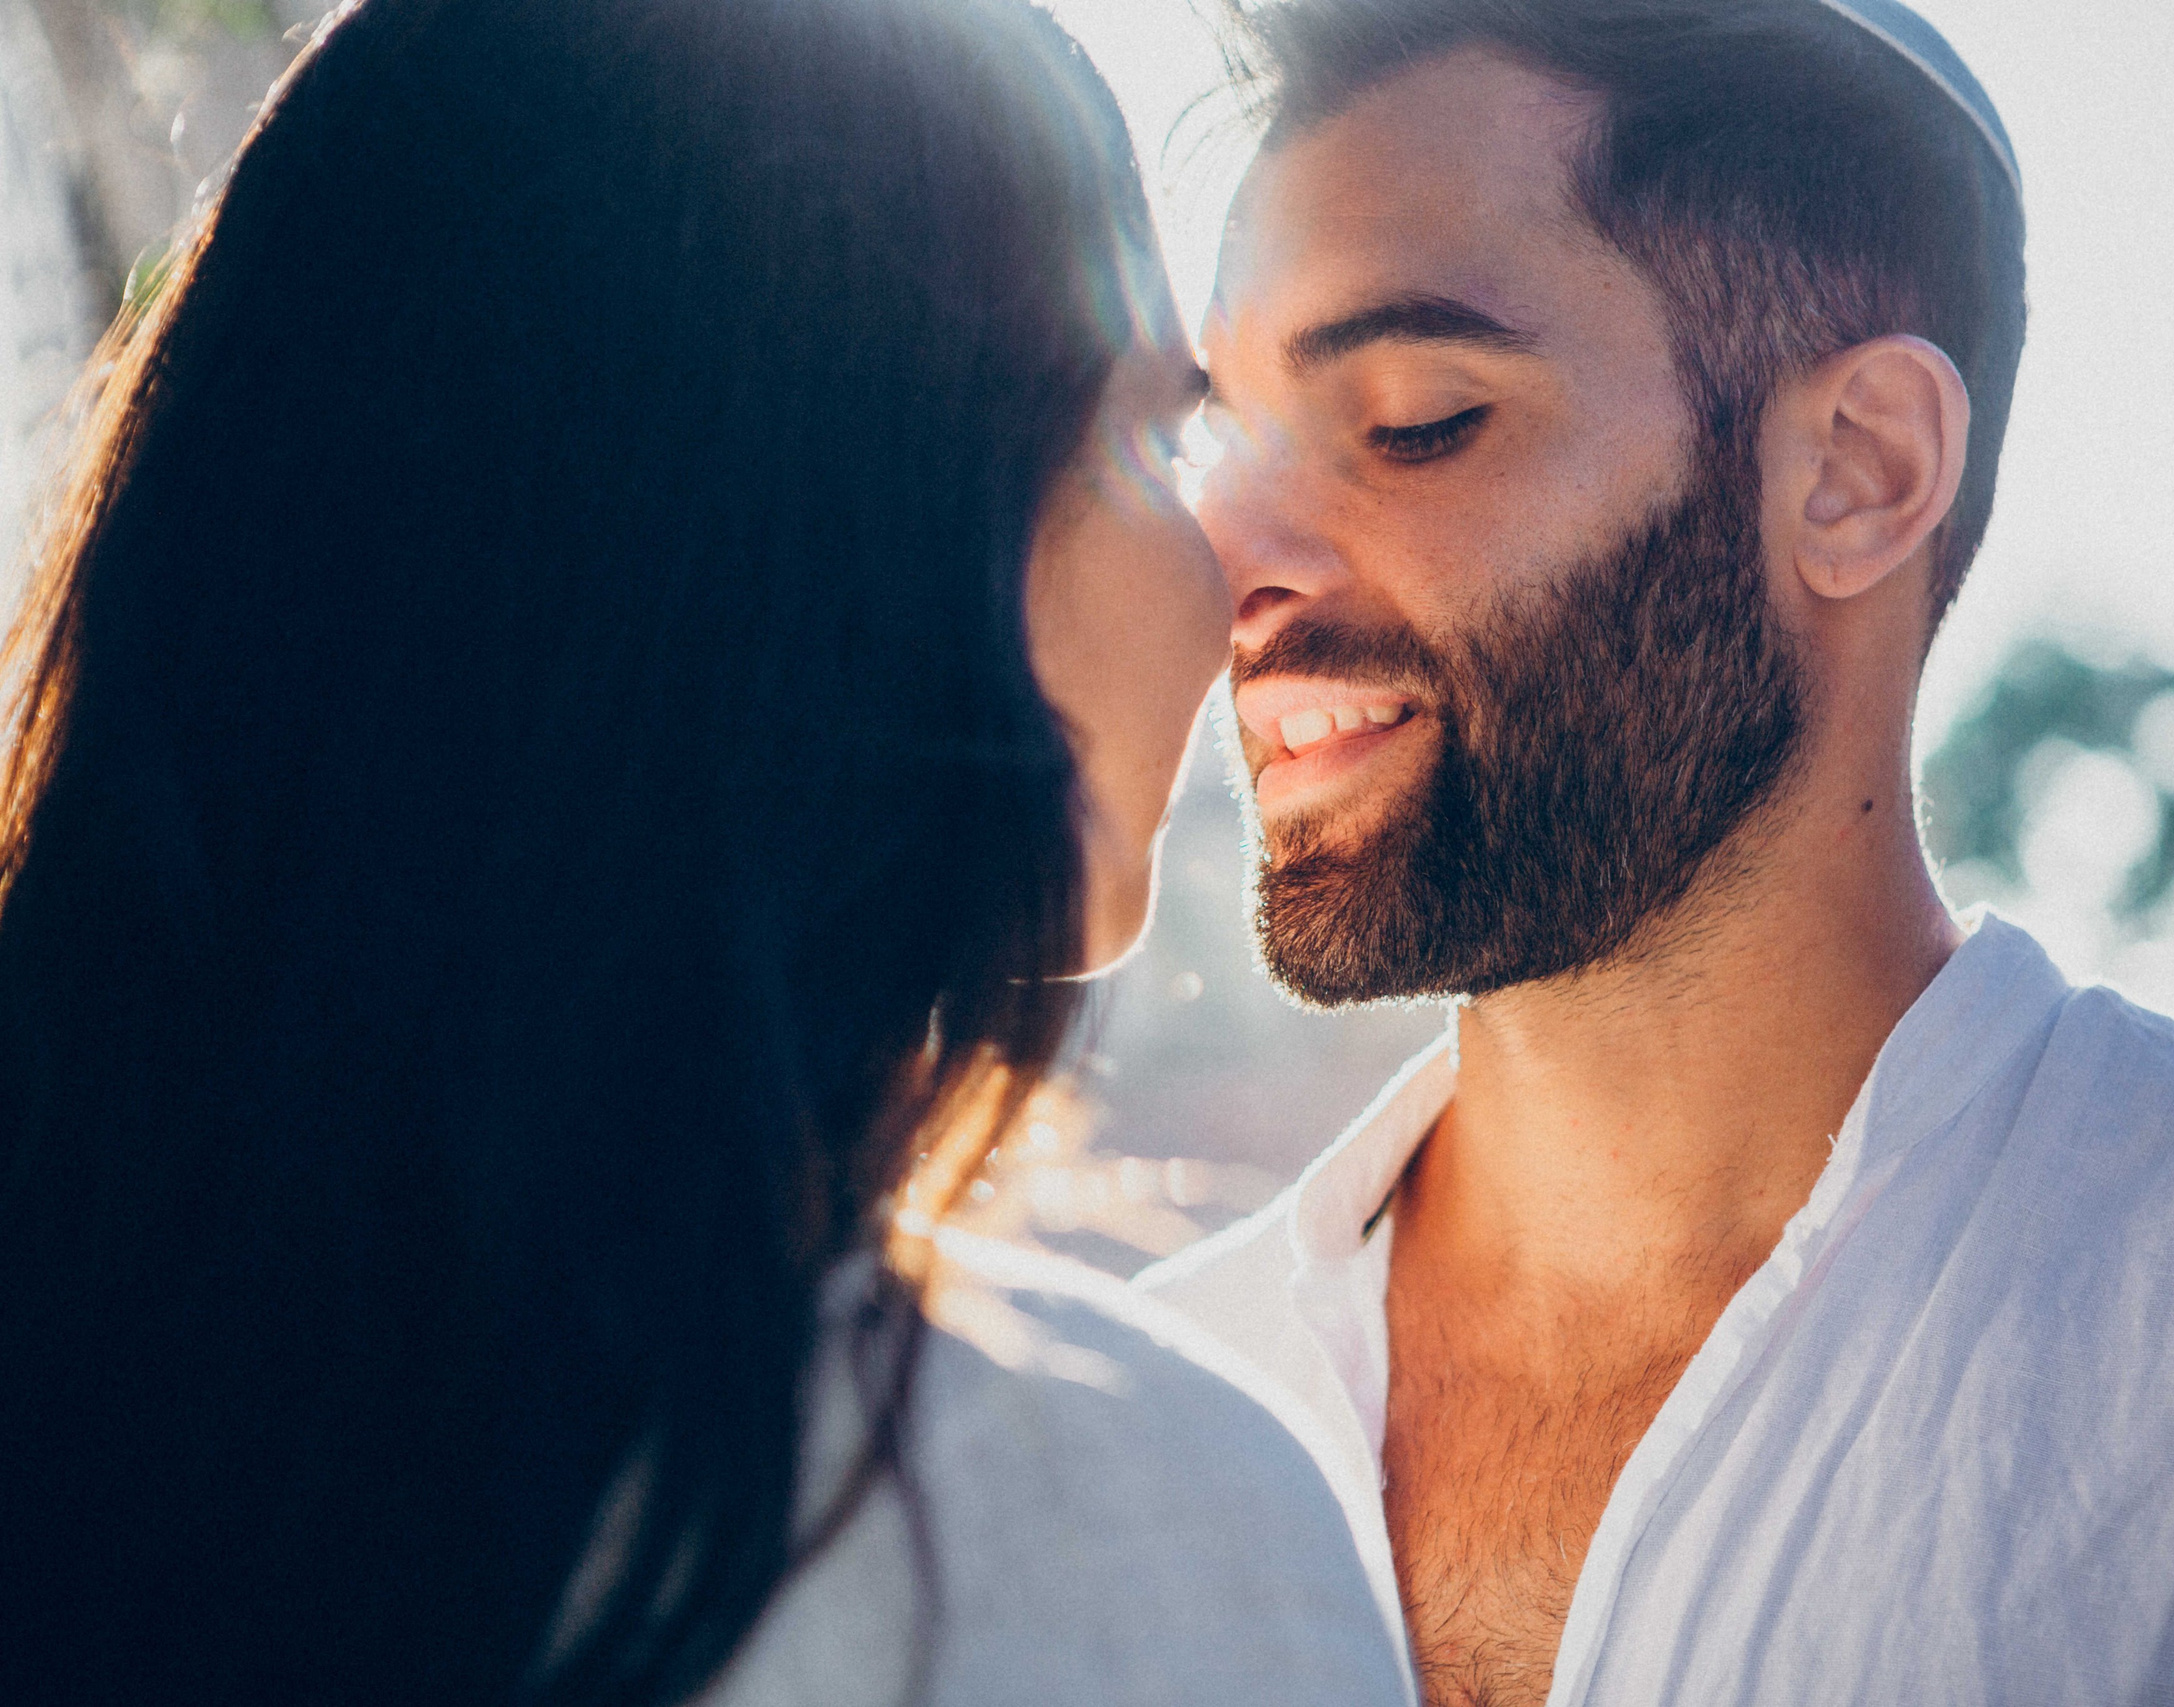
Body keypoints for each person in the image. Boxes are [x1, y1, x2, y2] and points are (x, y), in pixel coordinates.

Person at [1139, 1, 2174, 1703]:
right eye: (1212, 444)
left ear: (1860, 470)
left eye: (1419, 418)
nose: (1220, 566)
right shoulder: (1107, 1423)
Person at [0, 0, 1408, 1703]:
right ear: (834, 549)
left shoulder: (101, 1384)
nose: (1227, 575)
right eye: (1140, 440)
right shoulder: (1116, 1536)